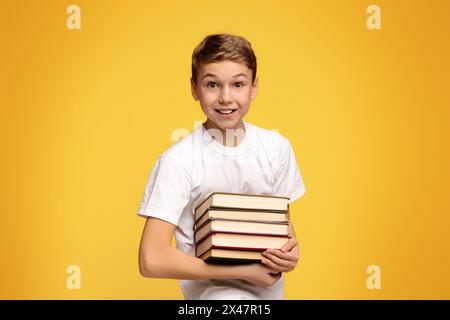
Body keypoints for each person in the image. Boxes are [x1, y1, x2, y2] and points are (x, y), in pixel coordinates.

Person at [137, 34, 306, 299]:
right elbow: (152, 258)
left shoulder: (277, 148)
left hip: (269, 294)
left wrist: (289, 255)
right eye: (212, 84)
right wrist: (244, 271)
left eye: (237, 84)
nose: (226, 98)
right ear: (194, 88)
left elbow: (281, 227)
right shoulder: (179, 161)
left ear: (253, 87)